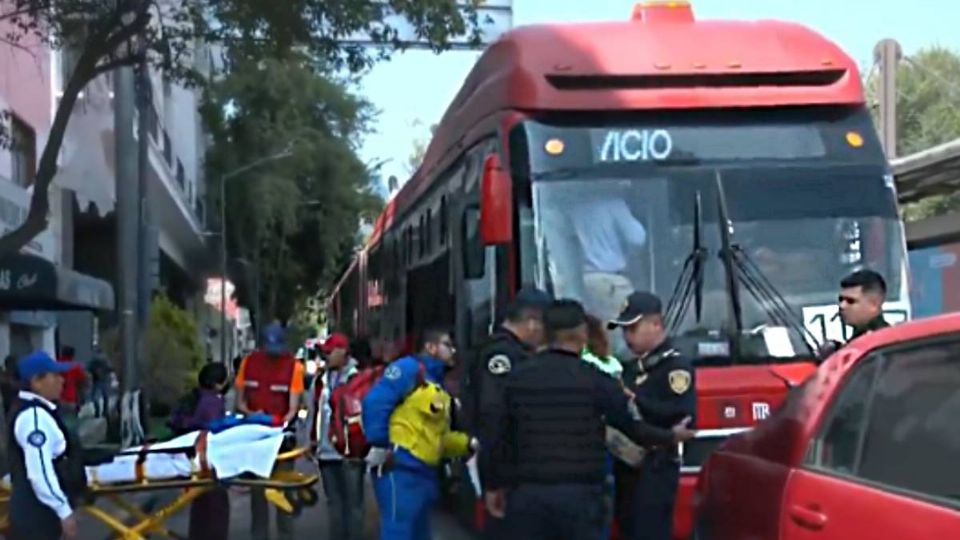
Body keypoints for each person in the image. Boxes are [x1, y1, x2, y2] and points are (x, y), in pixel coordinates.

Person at [483, 300, 695, 539]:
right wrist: (671, 436)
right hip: (581, 497)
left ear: (544, 333)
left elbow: (496, 432)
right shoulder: (598, 381)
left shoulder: (516, 379)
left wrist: (492, 484)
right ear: (583, 334)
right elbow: (632, 428)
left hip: (528, 494)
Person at [363, 328, 479, 540]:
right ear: (431, 347)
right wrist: (381, 445)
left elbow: (438, 438)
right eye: (447, 345)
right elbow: (375, 402)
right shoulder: (409, 369)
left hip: (423, 474)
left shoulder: (438, 386)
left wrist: (467, 444)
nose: (452, 351)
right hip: (400, 470)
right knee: (398, 531)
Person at [608, 292, 697, 540]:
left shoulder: (675, 367)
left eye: (633, 328)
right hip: (626, 466)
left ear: (656, 324)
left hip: (656, 466)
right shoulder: (630, 367)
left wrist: (635, 399)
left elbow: (680, 413)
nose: (627, 336)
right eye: (624, 330)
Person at [463, 287, 552, 536]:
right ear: (532, 322)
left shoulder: (507, 351)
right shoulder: (502, 356)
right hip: (508, 475)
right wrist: (494, 481)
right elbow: (494, 419)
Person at [235, 323, 305, 540]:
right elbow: (240, 401)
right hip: (255, 438)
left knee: (282, 491)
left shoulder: (294, 367)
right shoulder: (249, 363)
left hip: (281, 438)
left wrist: (278, 425)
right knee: (258, 494)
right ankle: (259, 536)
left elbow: (293, 408)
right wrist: (253, 416)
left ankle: (286, 536)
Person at [8, 351, 88, 540]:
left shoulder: (38, 411)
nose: (62, 380)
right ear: (36, 381)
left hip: (37, 512)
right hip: (37, 515)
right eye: (56, 376)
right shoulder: (34, 418)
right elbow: (40, 472)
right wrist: (63, 510)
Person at [309, 332, 365, 540]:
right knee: (334, 504)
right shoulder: (320, 381)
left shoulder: (358, 378)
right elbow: (315, 410)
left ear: (343, 352)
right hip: (326, 452)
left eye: (330, 352)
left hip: (351, 452)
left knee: (354, 505)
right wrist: (313, 440)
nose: (326, 356)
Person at [170, 363, 230, 540]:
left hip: (188, 454)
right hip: (204, 458)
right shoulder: (213, 402)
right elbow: (215, 430)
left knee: (201, 503)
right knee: (215, 505)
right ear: (218, 383)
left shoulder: (195, 397)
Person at [819, 269, 890, 358]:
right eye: (841, 300)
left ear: (874, 304)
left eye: (851, 301)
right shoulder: (856, 341)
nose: (842, 306)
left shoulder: (882, 346)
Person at [57, 346, 87, 423]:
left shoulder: (56, 364)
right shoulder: (75, 366)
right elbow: (83, 380)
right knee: (72, 422)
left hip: (58, 398)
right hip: (71, 398)